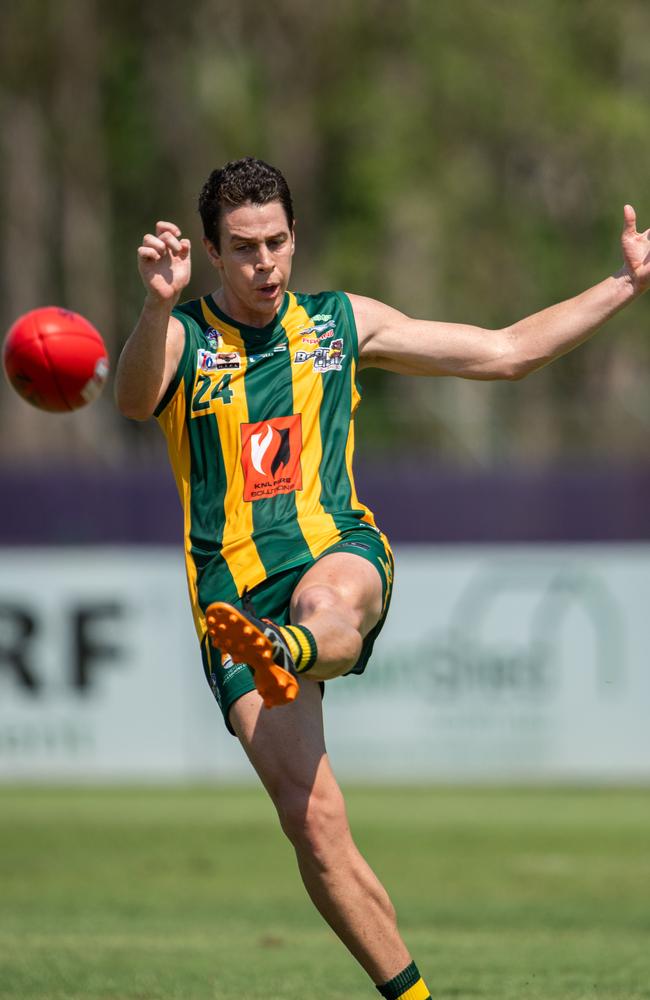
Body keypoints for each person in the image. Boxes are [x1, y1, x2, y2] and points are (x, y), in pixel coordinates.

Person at [114, 157, 649, 999]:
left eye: (278, 242)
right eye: (245, 248)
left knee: (326, 603)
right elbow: (135, 401)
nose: (266, 264)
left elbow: (505, 352)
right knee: (314, 825)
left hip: (337, 553)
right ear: (212, 253)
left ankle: (288, 646)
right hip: (232, 598)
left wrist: (623, 283)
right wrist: (154, 303)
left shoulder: (337, 324)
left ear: (297, 237)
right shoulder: (183, 337)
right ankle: (417, 997)